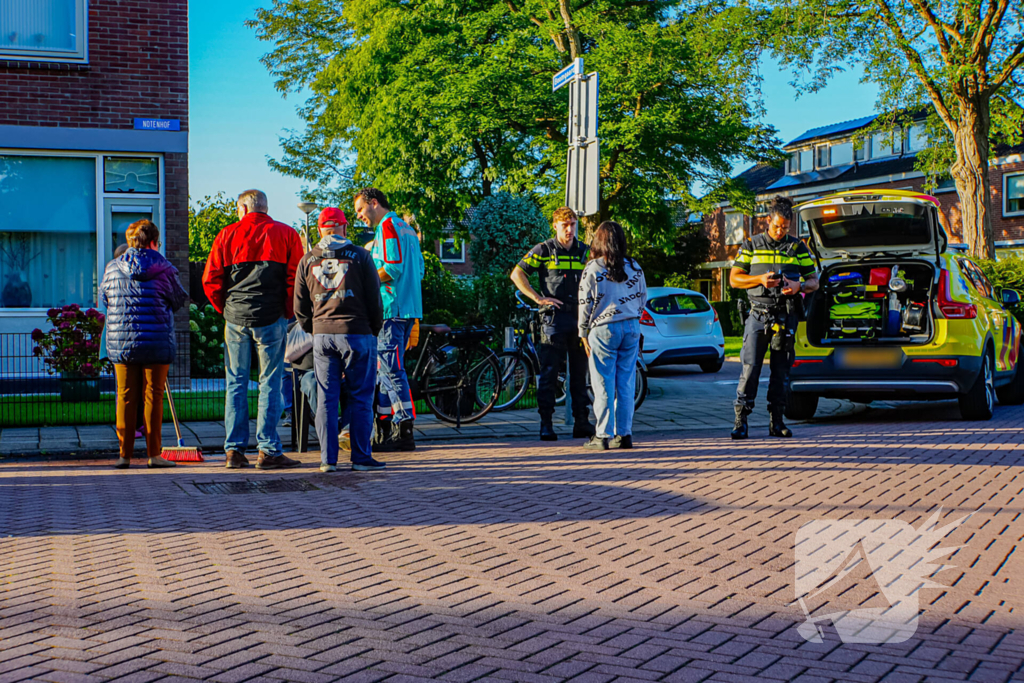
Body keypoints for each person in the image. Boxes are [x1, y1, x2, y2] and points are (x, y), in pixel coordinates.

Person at [202, 189, 305, 469]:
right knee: (270, 382)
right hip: (271, 317)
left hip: (236, 316)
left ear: (244, 208)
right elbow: (296, 279)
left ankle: (234, 451)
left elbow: (210, 279)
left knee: (235, 381)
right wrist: (286, 311)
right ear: (264, 207)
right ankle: (268, 450)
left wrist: (226, 309)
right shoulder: (287, 234)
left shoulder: (227, 234)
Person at [294, 207, 384, 472]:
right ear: (344, 228)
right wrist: (373, 330)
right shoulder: (361, 256)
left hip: (322, 336)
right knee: (360, 397)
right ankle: (360, 458)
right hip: (357, 333)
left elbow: (299, 305)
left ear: (320, 230)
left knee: (326, 397)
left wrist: (314, 328)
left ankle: (327, 460)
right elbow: (374, 300)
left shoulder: (307, 260)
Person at [729, 195, 819, 439]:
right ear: (767, 221)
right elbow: (734, 278)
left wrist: (799, 286)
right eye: (777, 226)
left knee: (781, 372)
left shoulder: (798, 247)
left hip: (785, 314)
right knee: (750, 369)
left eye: (785, 228)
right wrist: (758, 279)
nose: (780, 231)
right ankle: (741, 421)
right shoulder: (751, 244)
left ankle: (776, 422)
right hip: (758, 314)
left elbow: (814, 281)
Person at [100, 220, 187, 469]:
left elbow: (105, 298)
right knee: (153, 396)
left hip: (122, 341)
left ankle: (124, 455)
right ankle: (154, 455)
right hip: (156, 340)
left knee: (125, 396)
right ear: (153, 242)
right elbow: (178, 299)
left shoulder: (112, 268)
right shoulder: (165, 268)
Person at [511, 207, 594, 441]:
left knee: (580, 374)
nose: (569, 229)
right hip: (554, 320)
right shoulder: (544, 250)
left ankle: (581, 422)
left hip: (579, 319)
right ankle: (546, 424)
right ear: (555, 225)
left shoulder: (584, 251)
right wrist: (538, 298)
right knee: (548, 374)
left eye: (573, 224)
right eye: (565, 225)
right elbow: (517, 274)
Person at [353, 188, 424, 452]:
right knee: (385, 370)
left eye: (361, 209)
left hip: (391, 310)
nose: (360, 216)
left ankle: (403, 430)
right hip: (408, 309)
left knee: (391, 371)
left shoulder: (388, 227)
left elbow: (392, 268)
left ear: (374, 203)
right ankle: (387, 428)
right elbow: (419, 270)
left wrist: (364, 281)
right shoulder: (407, 229)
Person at [577, 221, 647, 450]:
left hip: (604, 328)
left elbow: (585, 303)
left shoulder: (594, 268)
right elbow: (643, 297)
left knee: (602, 382)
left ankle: (602, 434)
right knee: (626, 382)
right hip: (631, 326)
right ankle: (624, 434)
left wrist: (583, 332)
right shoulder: (634, 266)